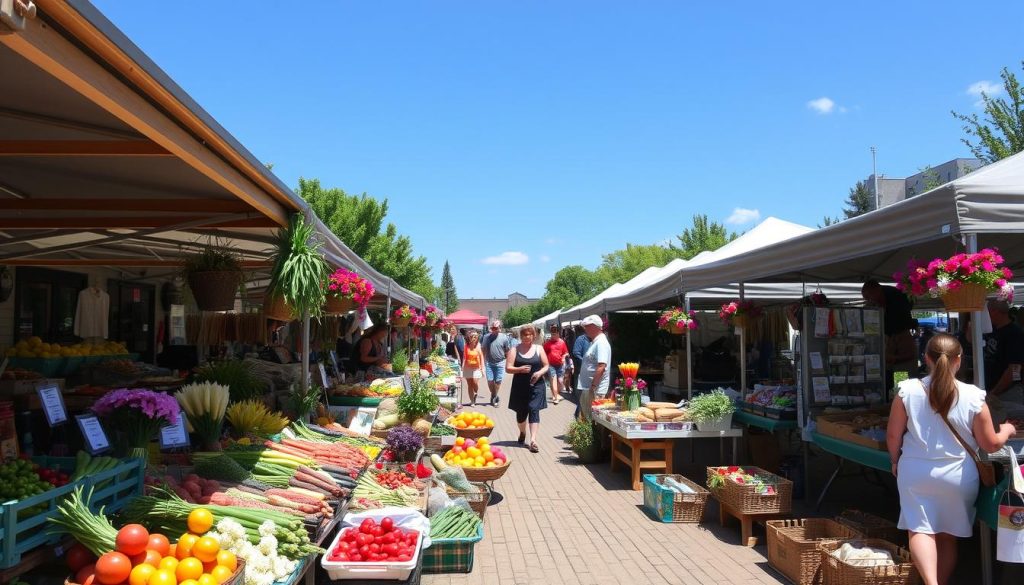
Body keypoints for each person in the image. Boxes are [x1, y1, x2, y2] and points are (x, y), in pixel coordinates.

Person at [886, 334, 1015, 585]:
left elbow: (893, 435)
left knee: (920, 529)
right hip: (957, 474)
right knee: (947, 536)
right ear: (959, 359)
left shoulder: (908, 390)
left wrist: (894, 460)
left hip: (915, 471)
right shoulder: (974, 395)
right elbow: (990, 443)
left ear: (926, 358)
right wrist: (1007, 430)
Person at [862, 279, 917, 389]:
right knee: (888, 382)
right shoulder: (878, 301)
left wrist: (893, 358)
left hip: (900, 347)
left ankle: (897, 398)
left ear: (877, 290)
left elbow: (908, 356)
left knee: (900, 386)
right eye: (866, 298)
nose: (869, 300)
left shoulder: (895, 297)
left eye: (869, 297)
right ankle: (891, 397)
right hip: (891, 342)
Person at [505, 324, 549, 453]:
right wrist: (519, 369)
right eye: (524, 335)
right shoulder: (515, 349)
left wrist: (539, 373)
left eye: (529, 334)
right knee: (521, 414)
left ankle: (533, 440)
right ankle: (522, 432)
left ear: (533, 336)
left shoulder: (539, 348)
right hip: (520, 386)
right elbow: (508, 368)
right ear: (521, 336)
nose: (526, 337)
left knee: (534, 409)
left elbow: (546, 366)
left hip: (537, 385)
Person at [983, 299, 1024, 411]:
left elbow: (1015, 368)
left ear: (994, 311)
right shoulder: (991, 330)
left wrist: (994, 392)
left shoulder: (1014, 334)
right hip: (993, 390)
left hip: (1007, 392)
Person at [576, 314, 611, 421]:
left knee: (592, 418)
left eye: (587, 326)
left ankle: (593, 437)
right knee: (586, 417)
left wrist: (593, 386)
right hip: (590, 388)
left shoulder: (601, 343)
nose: (585, 329)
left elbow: (601, 366)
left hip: (595, 389)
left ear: (595, 327)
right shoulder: (596, 342)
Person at [481, 320, 514, 406]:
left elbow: (507, 350)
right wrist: (482, 362)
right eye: (492, 328)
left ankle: (494, 397)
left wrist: (509, 362)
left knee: (498, 381)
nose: (494, 330)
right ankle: (494, 395)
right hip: (489, 362)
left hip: (500, 362)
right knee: (490, 381)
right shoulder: (486, 337)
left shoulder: (504, 337)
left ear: (500, 328)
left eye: (496, 328)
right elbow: (483, 349)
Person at [543, 325, 569, 405]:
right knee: (553, 380)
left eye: (555, 334)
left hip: (560, 365)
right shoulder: (547, 344)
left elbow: (566, 352)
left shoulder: (562, 342)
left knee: (560, 381)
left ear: (558, 334)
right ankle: (555, 397)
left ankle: (556, 394)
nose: (554, 336)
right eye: (552, 334)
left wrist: (564, 357)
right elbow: (543, 354)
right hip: (551, 365)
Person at [571, 325, 592, 419]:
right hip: (581, 371)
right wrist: (585, 361)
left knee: (588, 397)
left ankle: (581, 417)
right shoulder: (581, 339)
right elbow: (576, 352)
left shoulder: (596, 340)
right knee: (581, 396)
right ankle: (578, 416)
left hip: (592, 372)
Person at [461, 331, 485, 405]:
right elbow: (464, 357)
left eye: (475, 337)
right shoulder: (466, 346)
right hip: (467, 367)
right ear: (469, 337)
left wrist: (482, 368)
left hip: (476, 368)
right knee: (469, 385)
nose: (473, 338)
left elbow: (481, 357)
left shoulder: (478, 346)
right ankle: (472, 401)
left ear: (477, 338)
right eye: (472, 337)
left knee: (474, 382)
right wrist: (462, 367)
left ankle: (476, 392)